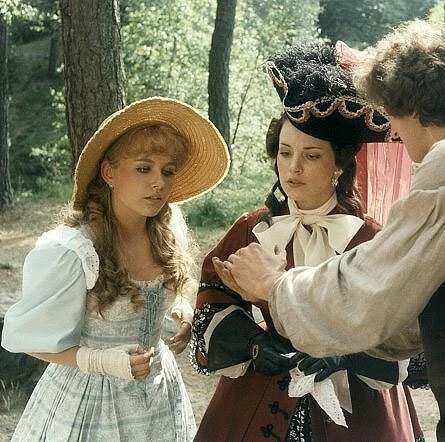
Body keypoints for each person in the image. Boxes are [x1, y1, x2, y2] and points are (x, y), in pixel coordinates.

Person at [215, 19, 445, 441]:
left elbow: (382, 301)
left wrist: (277, 289)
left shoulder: (428, 185)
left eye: (393, 117)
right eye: (285, 153)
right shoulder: (253, 227)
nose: (393, 132)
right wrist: (252, 341)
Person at [1, 96, 230, 441]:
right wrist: (102, 361)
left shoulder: (167, 227)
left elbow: (182, 281)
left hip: (158, 395)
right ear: (109, 172)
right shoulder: (76, 249)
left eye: (168, 171)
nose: (159, 182)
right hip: (90, 398)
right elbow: (27, 338)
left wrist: (184, 308)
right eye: (143, 168)